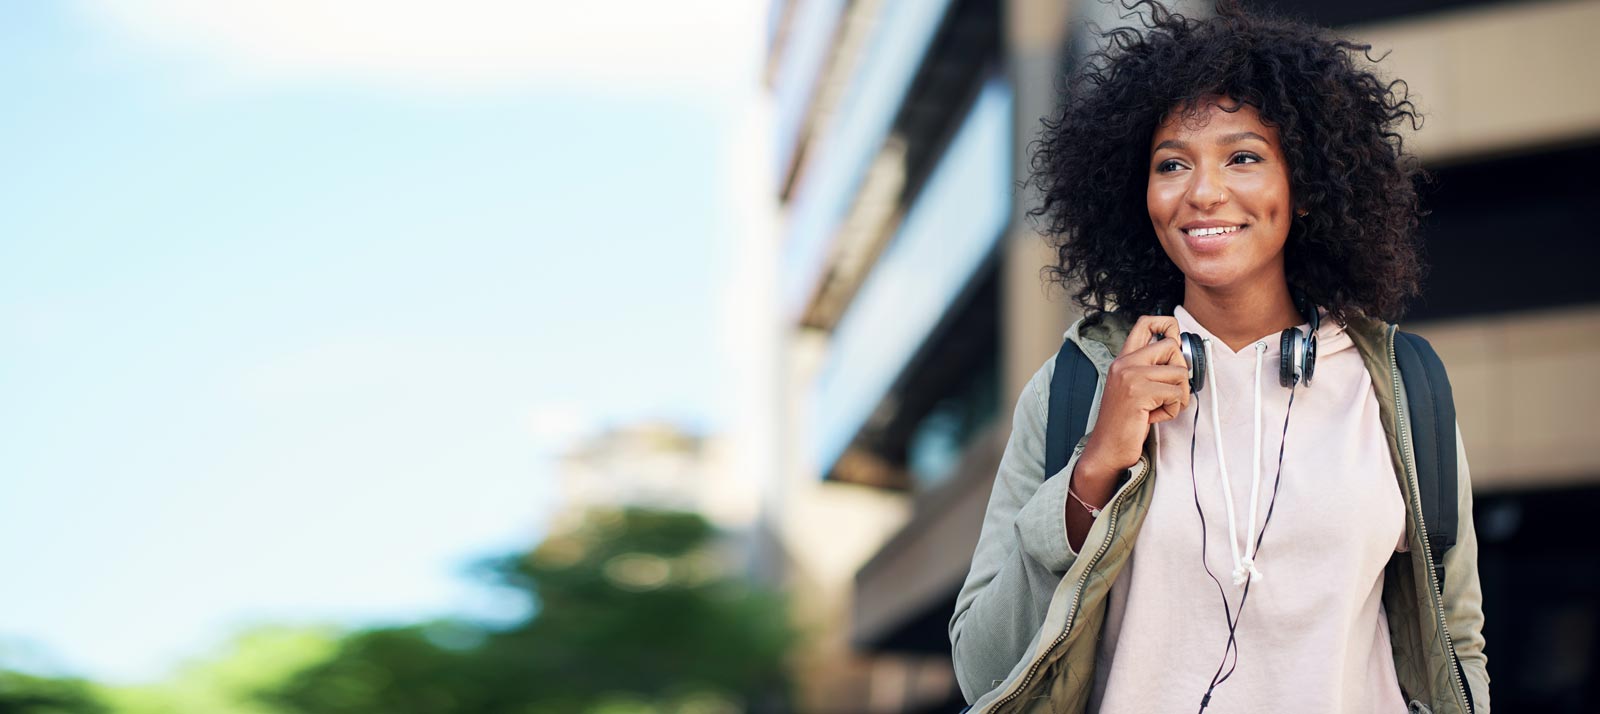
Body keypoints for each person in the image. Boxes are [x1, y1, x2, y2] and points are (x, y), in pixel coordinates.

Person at [947, 2, 1489, 712]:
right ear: (1139, 194)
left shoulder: (1400, 388)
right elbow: (980, 666)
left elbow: (1456, 641)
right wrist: (1095, 467)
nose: (1204, 192)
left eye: (1243, 156)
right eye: (1172, 163)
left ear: (1304, 187)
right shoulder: (1079, 388)